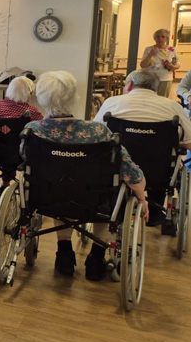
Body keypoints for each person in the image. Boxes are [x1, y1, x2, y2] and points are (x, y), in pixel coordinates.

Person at [25, 71, 148, 281]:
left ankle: (64, 252)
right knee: (105, 192)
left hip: (48, 199)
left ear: (42, 98)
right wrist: (141, 197)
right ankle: (96, 257)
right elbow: (130, 172)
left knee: (57, 185)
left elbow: (24, 161)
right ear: (74, 97)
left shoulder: (32, 131)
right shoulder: (99, 131)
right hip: (95, 199)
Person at [92, 69, 191, 227]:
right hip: (158, 171)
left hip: (119, 169)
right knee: (162, 162)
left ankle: (118, 209)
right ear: (155, 88)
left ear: (129, 85)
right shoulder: (173, 107)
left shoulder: (112, 103)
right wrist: (167, 141)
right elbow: (189, 142)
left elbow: (96, 135)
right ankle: (155, 215)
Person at [0, 76, 43, 187]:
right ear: (28, 93)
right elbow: (41, 127)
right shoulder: (31, 111)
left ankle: (5, 183)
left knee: (6, 142)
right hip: (17, 154)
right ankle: (6, 183)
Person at [140, 28, 179, 96]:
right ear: (154, 38)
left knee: (162, 100)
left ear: (166, 39)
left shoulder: (172, 50)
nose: (160, 38)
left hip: (165, 79)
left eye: (163, 37)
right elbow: (143, 65)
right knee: (150, 99)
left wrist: (172, 66)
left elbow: (178, 64)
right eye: (158, 37)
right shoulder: (148, 49)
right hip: (150, 79)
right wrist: (151, 53)